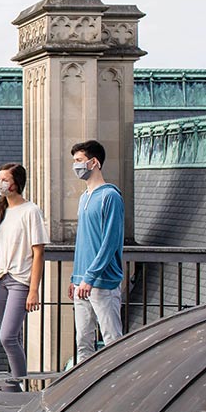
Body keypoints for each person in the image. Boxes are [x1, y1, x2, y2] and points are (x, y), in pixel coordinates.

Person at [0, 163, 48, 389]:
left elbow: (38, 252)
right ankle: (16, 379)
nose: (0, 183)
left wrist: (34, 290)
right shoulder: (1, 212)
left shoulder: (31, 211)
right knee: (12, 336)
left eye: (4, 179)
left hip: (19, 280)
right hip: (0, 279)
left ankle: (17, 386)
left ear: (16, 184)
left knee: (7, 336)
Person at [69, 140, 125, 363]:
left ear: (95, 162)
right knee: (83, 341)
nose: (76, 166)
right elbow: (83, 241)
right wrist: (76, 277)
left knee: (112, 340)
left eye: (79, 161)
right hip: (82, 282)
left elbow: (110, 242)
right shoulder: (84, 197)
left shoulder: (110, 197)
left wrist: (90, 277)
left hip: (102, 282)